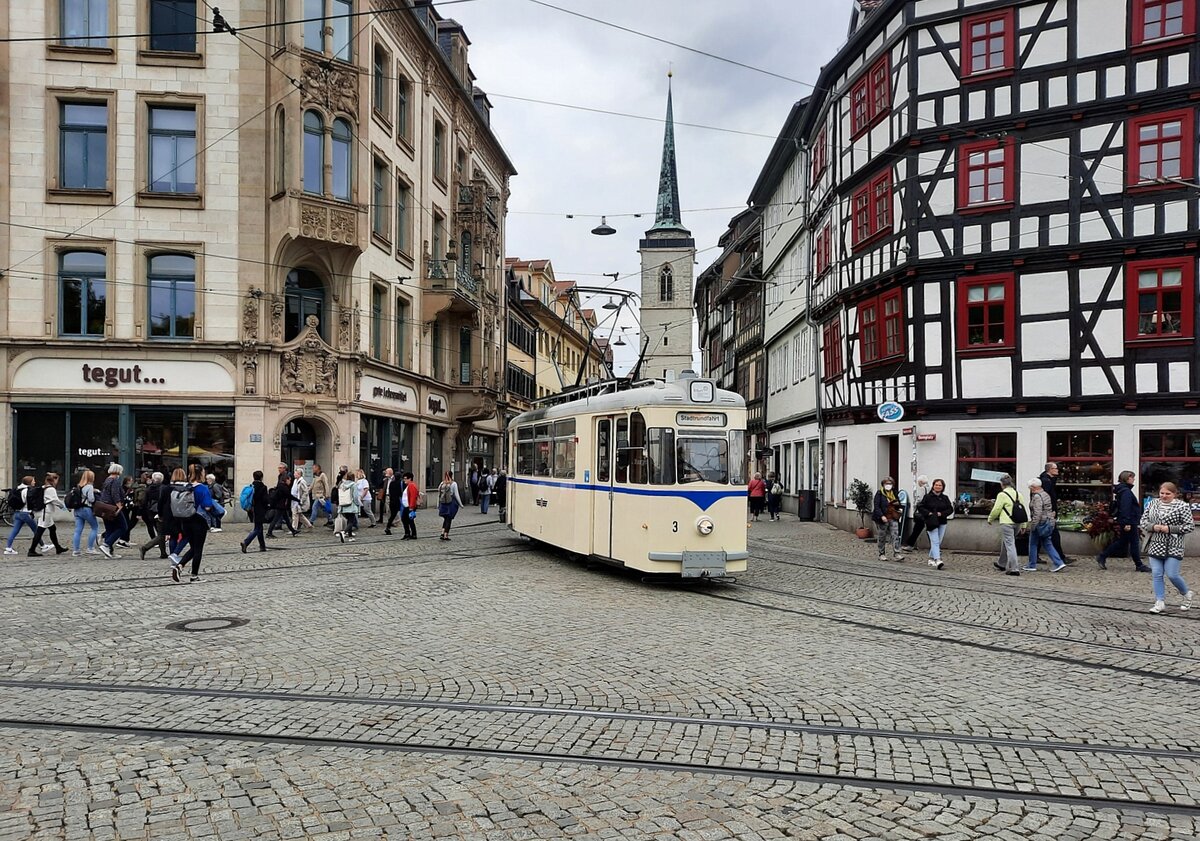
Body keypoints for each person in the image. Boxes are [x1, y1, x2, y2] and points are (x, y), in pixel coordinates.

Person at [1140, 481, 1194, 614]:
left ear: (1175, 494)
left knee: (1172, 574)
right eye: (1162, 493)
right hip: (1155, 543)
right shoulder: (1152, 503)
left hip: (1174, 545)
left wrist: (1170, 529)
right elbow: (1143, 521)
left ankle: (1186, 594)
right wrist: (1153, 527)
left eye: (1167, 494)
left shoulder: (1182, 506)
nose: (1164, 496)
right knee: (1157, 573)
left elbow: (1190, 526)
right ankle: (1159, 602)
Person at [171, 464, 217, 583]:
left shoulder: (186, 486)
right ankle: (194, 575)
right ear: (201, 474)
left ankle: (180, 566)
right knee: (198, 549)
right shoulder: (202, 488)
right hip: (199, 520)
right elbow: (207, 506)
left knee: (194, 547)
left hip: (186, 519)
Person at [1097, 470, 1150, 572]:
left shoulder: (1122, 490)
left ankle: (1102, 556)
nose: (1134, 479)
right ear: (1127, 478)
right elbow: (1126, 507)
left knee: (1123, 542)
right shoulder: (1126, 492)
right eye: (1132, 477)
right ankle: (1139, 565)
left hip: (1127, 520)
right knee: (1134, 542)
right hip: (1129, 520)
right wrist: (1127, 522)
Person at [1025, 477, 1066, 572]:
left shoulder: (1037, 497)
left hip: (1040, 523)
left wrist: (1033, 526)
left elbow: (1038, 513)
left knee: (1033, 544)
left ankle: (1031, 565)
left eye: (1030, 487)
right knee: (1047, 543)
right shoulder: (1045, 494)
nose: (1030, 489)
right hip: (1048, 522)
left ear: (1033, 487)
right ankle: (1059, 562)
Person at [987, 474, 1024, 576]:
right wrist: (1024, 525)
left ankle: (1014, 568)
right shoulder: (1018, 494)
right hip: (1017, 522)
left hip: (1007, 522)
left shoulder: (1002, 495)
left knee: (1010, 544)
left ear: (1002, 484)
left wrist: (990, 518)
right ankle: (1001, 563)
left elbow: (997, 509)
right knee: (1006, 542)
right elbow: (1023, 510)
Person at [1038, 461, 1072, 564]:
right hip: (1047, 513)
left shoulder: (1050, 480)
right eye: (1055, 468)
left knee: (1040, 535)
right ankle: (1061, 558)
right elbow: (1046, 497)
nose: (1057, 470)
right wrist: (1050, 511)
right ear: (1050, 470)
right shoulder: (1046, 481)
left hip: (1047, 513)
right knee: (1054, 535)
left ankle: (1035, 557)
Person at [27, 473, 69, 556]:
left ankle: (58, 547)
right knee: (40, 531)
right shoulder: (51, 489)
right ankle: (31, 550)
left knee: (52, 528)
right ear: (54, 480)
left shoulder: (44, 487)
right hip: (45, 512)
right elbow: (55, 500)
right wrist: (64, 507)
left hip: (43, 511)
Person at [915, 478, 953, 569]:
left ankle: (931, 558)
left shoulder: (945, 498)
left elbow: (950, 509)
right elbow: (920, 507)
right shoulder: (927, 497)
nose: (938, 487)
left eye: (940, 485)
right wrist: (928, 513)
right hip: (931, 522)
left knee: (938, 541)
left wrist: (942, 514)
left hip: (942, 521)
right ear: (933, 486)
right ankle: (938, 560)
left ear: (943, 487)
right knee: (935, 541)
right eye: (936, 485)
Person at [138, 472, 171, 561]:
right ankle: (145, 547)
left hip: (151, 512)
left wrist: (142, 512)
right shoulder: (164, 488)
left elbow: (144, 502)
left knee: (160, 533)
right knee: (161, 534)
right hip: (161, 512)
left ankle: (163, 553)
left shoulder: (148, 489)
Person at [97, 463, 127, 559]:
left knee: (110, 529)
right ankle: (106, 545)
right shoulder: (115, 480)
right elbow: (115, 494)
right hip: (112, 507)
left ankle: (109, 552)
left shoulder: (107, 479)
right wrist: (119, 505)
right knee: (123, 527)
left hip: (105, 506)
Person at [4, 476, 38, 555]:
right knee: (36, 530)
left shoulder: (17, 489)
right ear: (29, 482)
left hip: (17, 513)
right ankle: (43, 546)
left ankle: (8, 548)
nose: (34, 482)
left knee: (14, 531)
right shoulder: (27, 490)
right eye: (33, 481)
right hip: (25, 513)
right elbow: (28, 502)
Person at [872, 477, 904, 562]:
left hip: (893, 517)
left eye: (890, 484)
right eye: (886, 483)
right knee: (882, 536)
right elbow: (876, 506)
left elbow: (899, 503)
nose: (888, 485)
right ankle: (881, 554)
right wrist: (882, 516)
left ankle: (897, 553)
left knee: (895, 535)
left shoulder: (894, 493)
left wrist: (899, 507)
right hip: (883, 518)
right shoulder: (879, 493)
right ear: (883, 484)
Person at [70, 469, 101, 556]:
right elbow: (91, 499)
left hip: (77, 510)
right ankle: (90, 548)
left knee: (78, 530)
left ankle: (76, 550)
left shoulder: (78, 486)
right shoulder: (89, 487)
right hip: (86, 509)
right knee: (95, 527)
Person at [240, 470, 270, 553]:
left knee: (259, 527)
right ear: (261, 477)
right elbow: (264, 500)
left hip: (251, 510)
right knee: (257, 528)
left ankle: (262, 546)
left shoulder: (251, 487)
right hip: (260, 510)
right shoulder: (263, 487)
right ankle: (246, 542)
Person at [266, 464, 297, 538]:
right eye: (278, 468)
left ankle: (293, 530)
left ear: (284, 468)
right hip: (281, 503)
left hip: (282, 502)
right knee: (276, 518)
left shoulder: (285, 477)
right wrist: (297, 500)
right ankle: (269, 533)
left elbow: (286, 492)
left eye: (280, 468)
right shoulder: (282, 483)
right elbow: (287, 494)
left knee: (286, 518)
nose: (279, 469)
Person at [902, 475, 929, 551]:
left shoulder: (922, 489)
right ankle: (935, 547)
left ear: (921, 482)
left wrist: (916, 505)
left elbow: (919, 500)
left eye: (919, 482)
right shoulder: (930, 488)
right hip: (928, 512)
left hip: (922, 512)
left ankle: (910, 545)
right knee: (930, 530)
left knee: (917, 529)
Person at [437, 470, 464, 540]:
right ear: (452, 475)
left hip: (443, 503)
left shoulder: (442, 483)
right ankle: (446, 535)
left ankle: (442, 533)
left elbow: (439, 493)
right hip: (451, 503)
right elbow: (456, 495)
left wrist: (438, 504)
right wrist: (460, 504)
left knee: (445, 519)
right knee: (449, 519)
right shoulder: (454, 484)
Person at [336, 470, 360, 542]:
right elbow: (355, 496)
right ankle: (344, 532)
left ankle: (350, 537)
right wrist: (357, 504)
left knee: (349, 520)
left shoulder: (342, 485)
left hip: (344, 505)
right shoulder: (354, 485)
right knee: (351, 521)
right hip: (351, 505)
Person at [382, 468, 402, 534]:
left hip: (392, 499)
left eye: (386, 472)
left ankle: (391, 524)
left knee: (393, 513)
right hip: (393, 499)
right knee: (391, 512)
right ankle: (389, 526)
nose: (385, 473)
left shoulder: (392, 482)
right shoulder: (398, 483)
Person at [399, 471, 419, 540]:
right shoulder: (409, 486)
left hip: (409, 506)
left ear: (409, 479)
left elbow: (413, 497)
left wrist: (411, 507)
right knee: (407, 520)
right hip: (407, 506)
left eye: (405, 478)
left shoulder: (411, 485)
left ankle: (410, 534)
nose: (404, 480)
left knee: (407, 520)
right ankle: (410, 534)